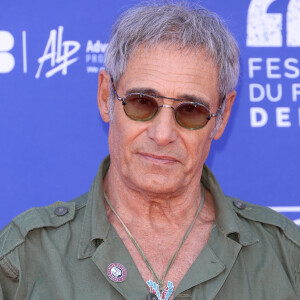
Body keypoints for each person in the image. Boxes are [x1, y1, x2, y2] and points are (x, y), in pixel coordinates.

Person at [0, 2, 299, 299]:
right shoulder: (25, 259)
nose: (162, 134)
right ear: (106, 97)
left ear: (222, 116)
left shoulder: (286, 258)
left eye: (190, 110)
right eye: (142, 102)